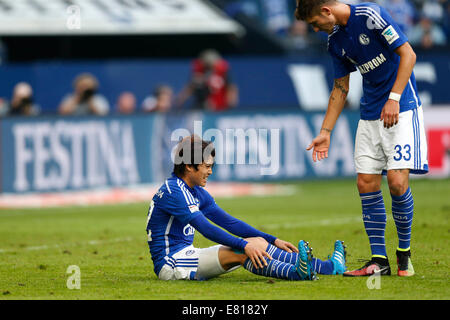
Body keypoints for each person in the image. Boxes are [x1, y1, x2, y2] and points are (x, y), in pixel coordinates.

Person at [295, 0, 428, 277]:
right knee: (365, 182)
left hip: (401, 108)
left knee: (396, 181)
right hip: (370, 114)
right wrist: (325, 131)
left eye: (315, 23)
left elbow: (409, 55)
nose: (316, 29)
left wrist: (394, 98)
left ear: (326, 11)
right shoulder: (335, 41)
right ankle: (379, 261)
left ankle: (404, 255)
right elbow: (341, 87)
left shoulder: (370, 15)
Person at [145, 135, 347, 281]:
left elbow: (229, 222)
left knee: (257, 242)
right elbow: (206, 228)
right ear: (189, 166)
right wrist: (243, 245)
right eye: (207, 166)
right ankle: (296, 273)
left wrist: (272, 240)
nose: (210, 171)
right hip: (171, 263)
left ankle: (329, 267)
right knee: (242, 252)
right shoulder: (174, 190)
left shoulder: (194, 191)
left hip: (187, 254)